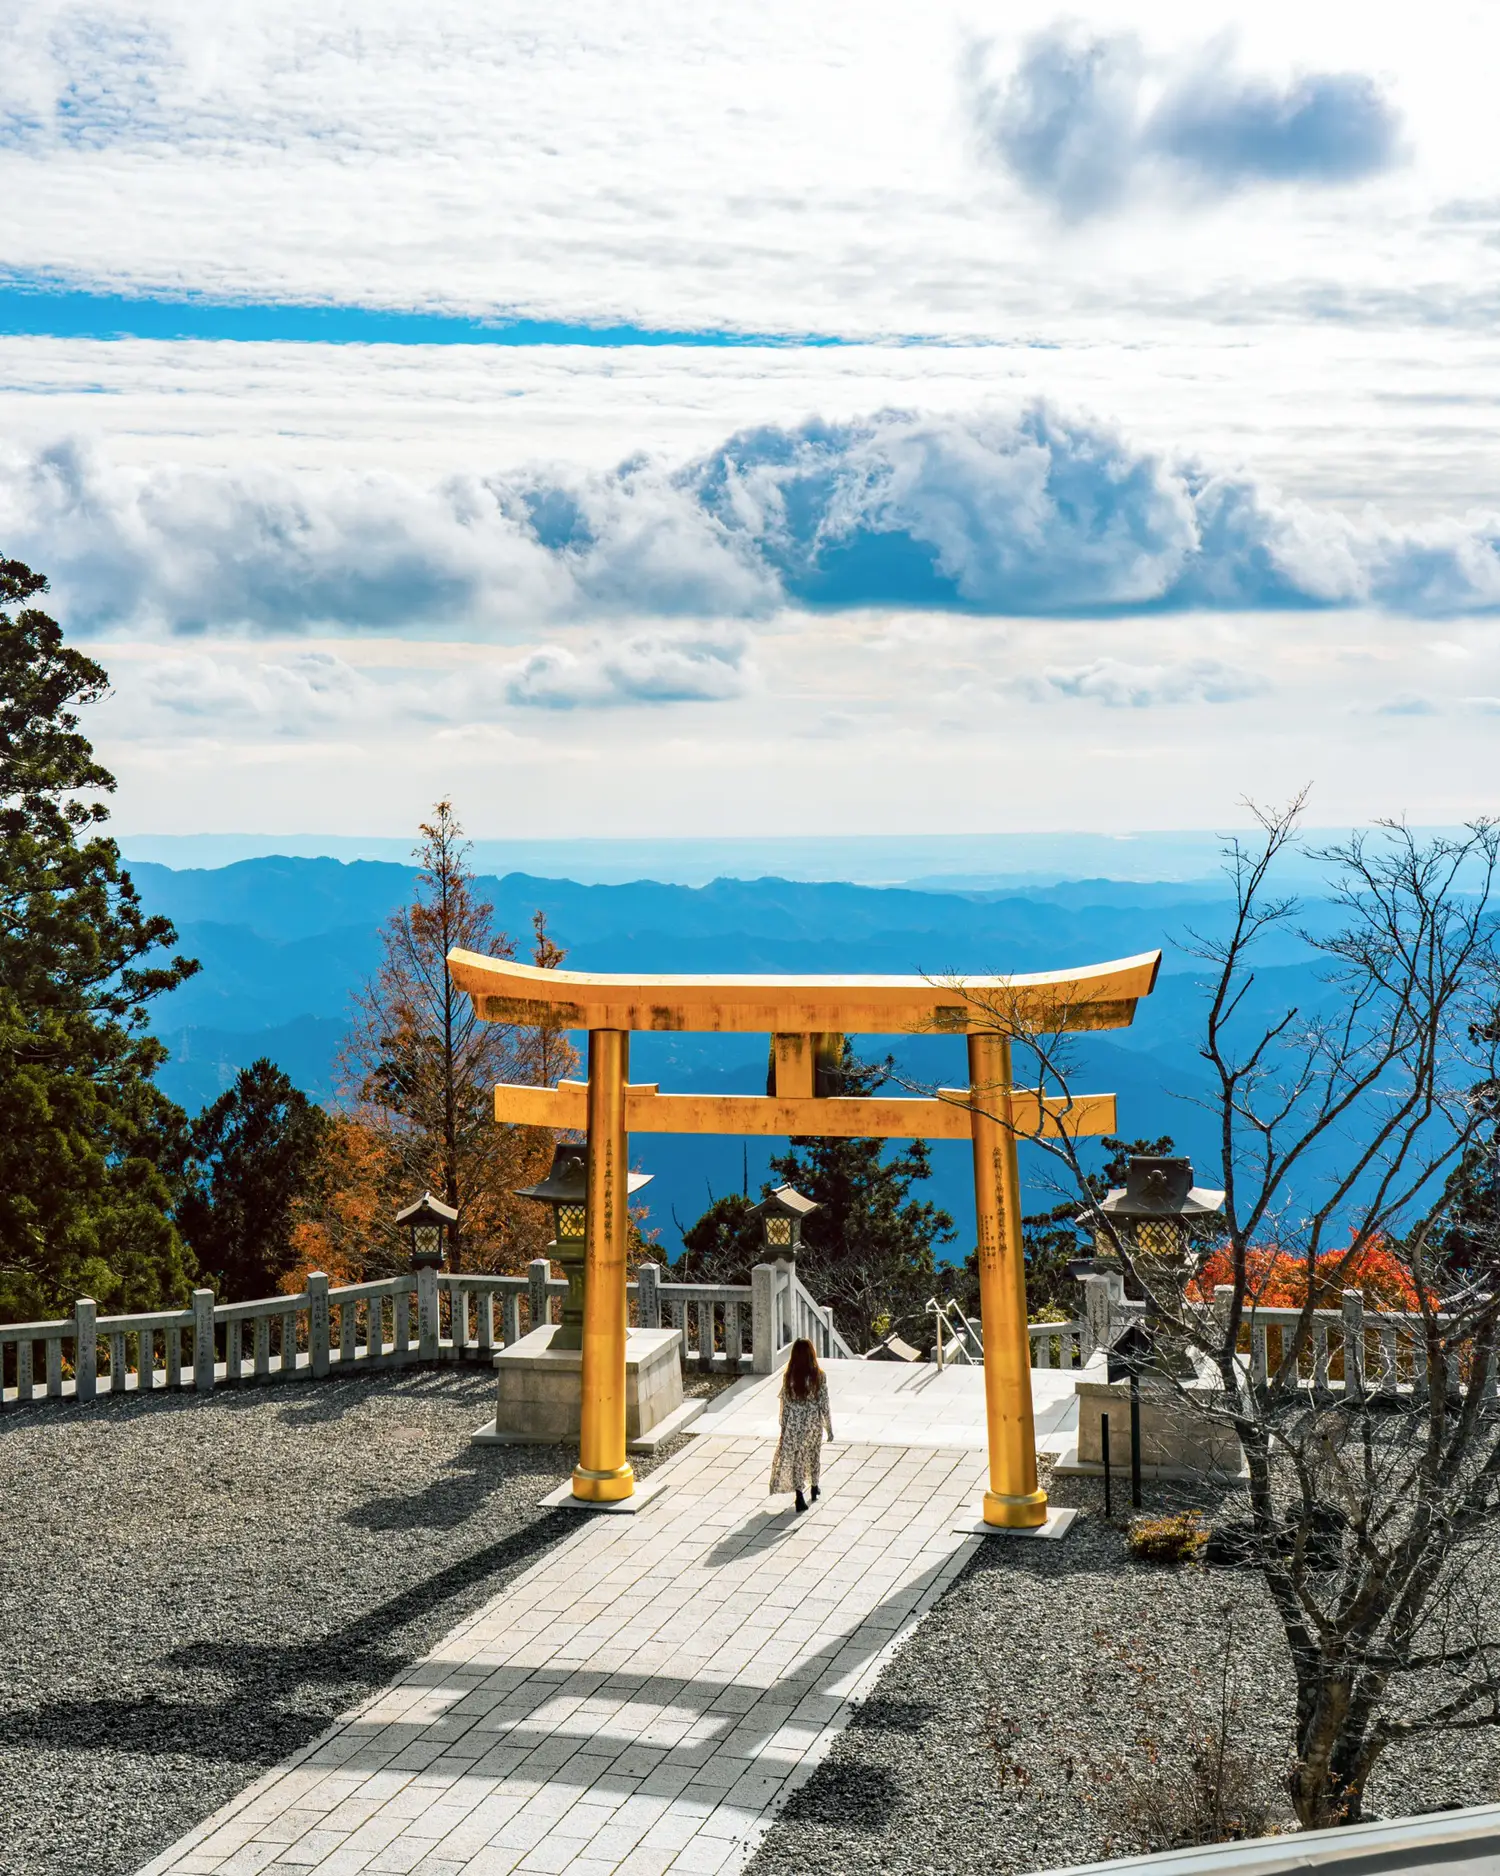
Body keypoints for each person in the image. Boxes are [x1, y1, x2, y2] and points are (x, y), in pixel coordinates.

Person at [770, 1337, 834, 1513]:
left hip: (794, 1425)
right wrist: (829, 1428)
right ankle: (814, 1487)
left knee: (797, 1460)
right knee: (813, 1455)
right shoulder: (818, 1376)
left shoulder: (789, 1376)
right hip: (813, 1424)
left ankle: (799, 1495)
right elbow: (824, 1404)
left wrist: (784, 1427)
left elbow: (785, 1403)